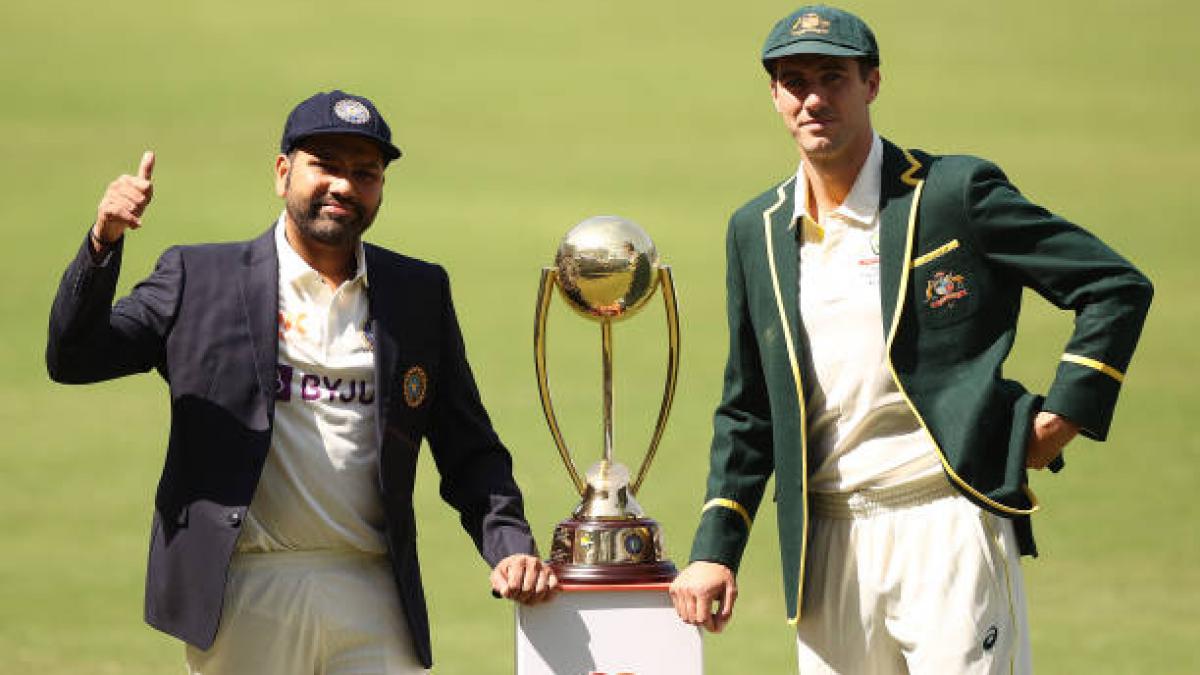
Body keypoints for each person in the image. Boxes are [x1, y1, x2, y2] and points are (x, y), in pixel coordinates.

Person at [667, 6, 1152, 673]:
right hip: (824, 541)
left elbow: (1113, 286)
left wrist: (1061, 417)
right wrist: (715, 546)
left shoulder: (954, 193)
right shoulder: (756, 228)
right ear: (774, 95)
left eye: (832, 77)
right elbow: (749, 405)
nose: (812, 97)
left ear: (871, 83)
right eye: (793, 80)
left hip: (946, 524)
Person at [46, 90, 558, 674]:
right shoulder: (200, 277)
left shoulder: (417, 292)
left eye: (365, 173)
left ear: (381, 189)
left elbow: (469, 449)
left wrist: (511, 547)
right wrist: (102, 243)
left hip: (373, 586)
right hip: (248, 586)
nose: (344, 185)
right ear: (283, 172)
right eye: (327, 166)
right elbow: (75, 358)